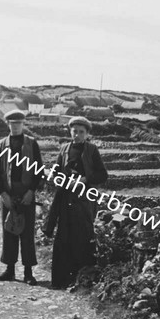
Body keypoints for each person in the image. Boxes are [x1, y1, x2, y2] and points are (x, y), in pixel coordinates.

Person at [42, 116, 108, 289]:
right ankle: (60, 280)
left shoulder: (91, 150)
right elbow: (57, 170)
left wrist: (84, 179)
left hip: (84, 199)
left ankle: (82, 279)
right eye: (74, 131)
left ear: (87, 134)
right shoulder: (64, 149)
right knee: (63, 237)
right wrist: (55, 177)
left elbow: (102, 175)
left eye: (81, 132)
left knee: (83, 236)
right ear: (70, 131)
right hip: (65, 199)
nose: (77, 135)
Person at [0, 109, 43, 285]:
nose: (15, 127)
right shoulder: (2, 144)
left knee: (27, 233)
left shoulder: (31, 144)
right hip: (8, 193)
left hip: (26, 193)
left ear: (23, 124)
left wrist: (31, 192)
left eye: (18, 123)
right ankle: (10, 270)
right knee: (9, 230)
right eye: (12, 124)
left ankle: (28, 272)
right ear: (8, 124)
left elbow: (38, 170)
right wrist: (3, 194)